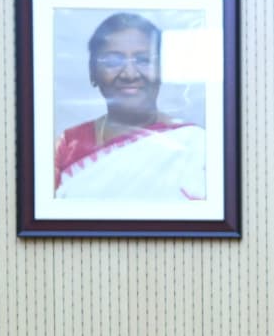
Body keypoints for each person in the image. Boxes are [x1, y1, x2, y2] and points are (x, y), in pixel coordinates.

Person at [55, 12, 206, 200]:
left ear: (162, 70)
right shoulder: (67, 147)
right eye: (113, 61)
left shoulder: (195, 146)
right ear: (93, 72)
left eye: (144, 60)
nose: (130, 74)